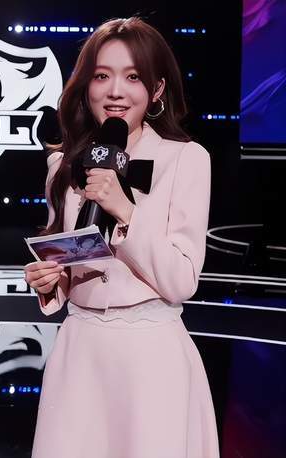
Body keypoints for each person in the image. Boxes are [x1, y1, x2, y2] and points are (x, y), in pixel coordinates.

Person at [24, 17, 219, 458]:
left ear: (157, 89)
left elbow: (182, 279)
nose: (115, 91)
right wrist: (50, 280)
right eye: (102, 76)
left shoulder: (187, 159)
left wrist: (126, 211)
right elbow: (70, 261)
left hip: (153, 355)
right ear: (86, 86)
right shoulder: (63, 165)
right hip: (80, 354)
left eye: (133, 77)